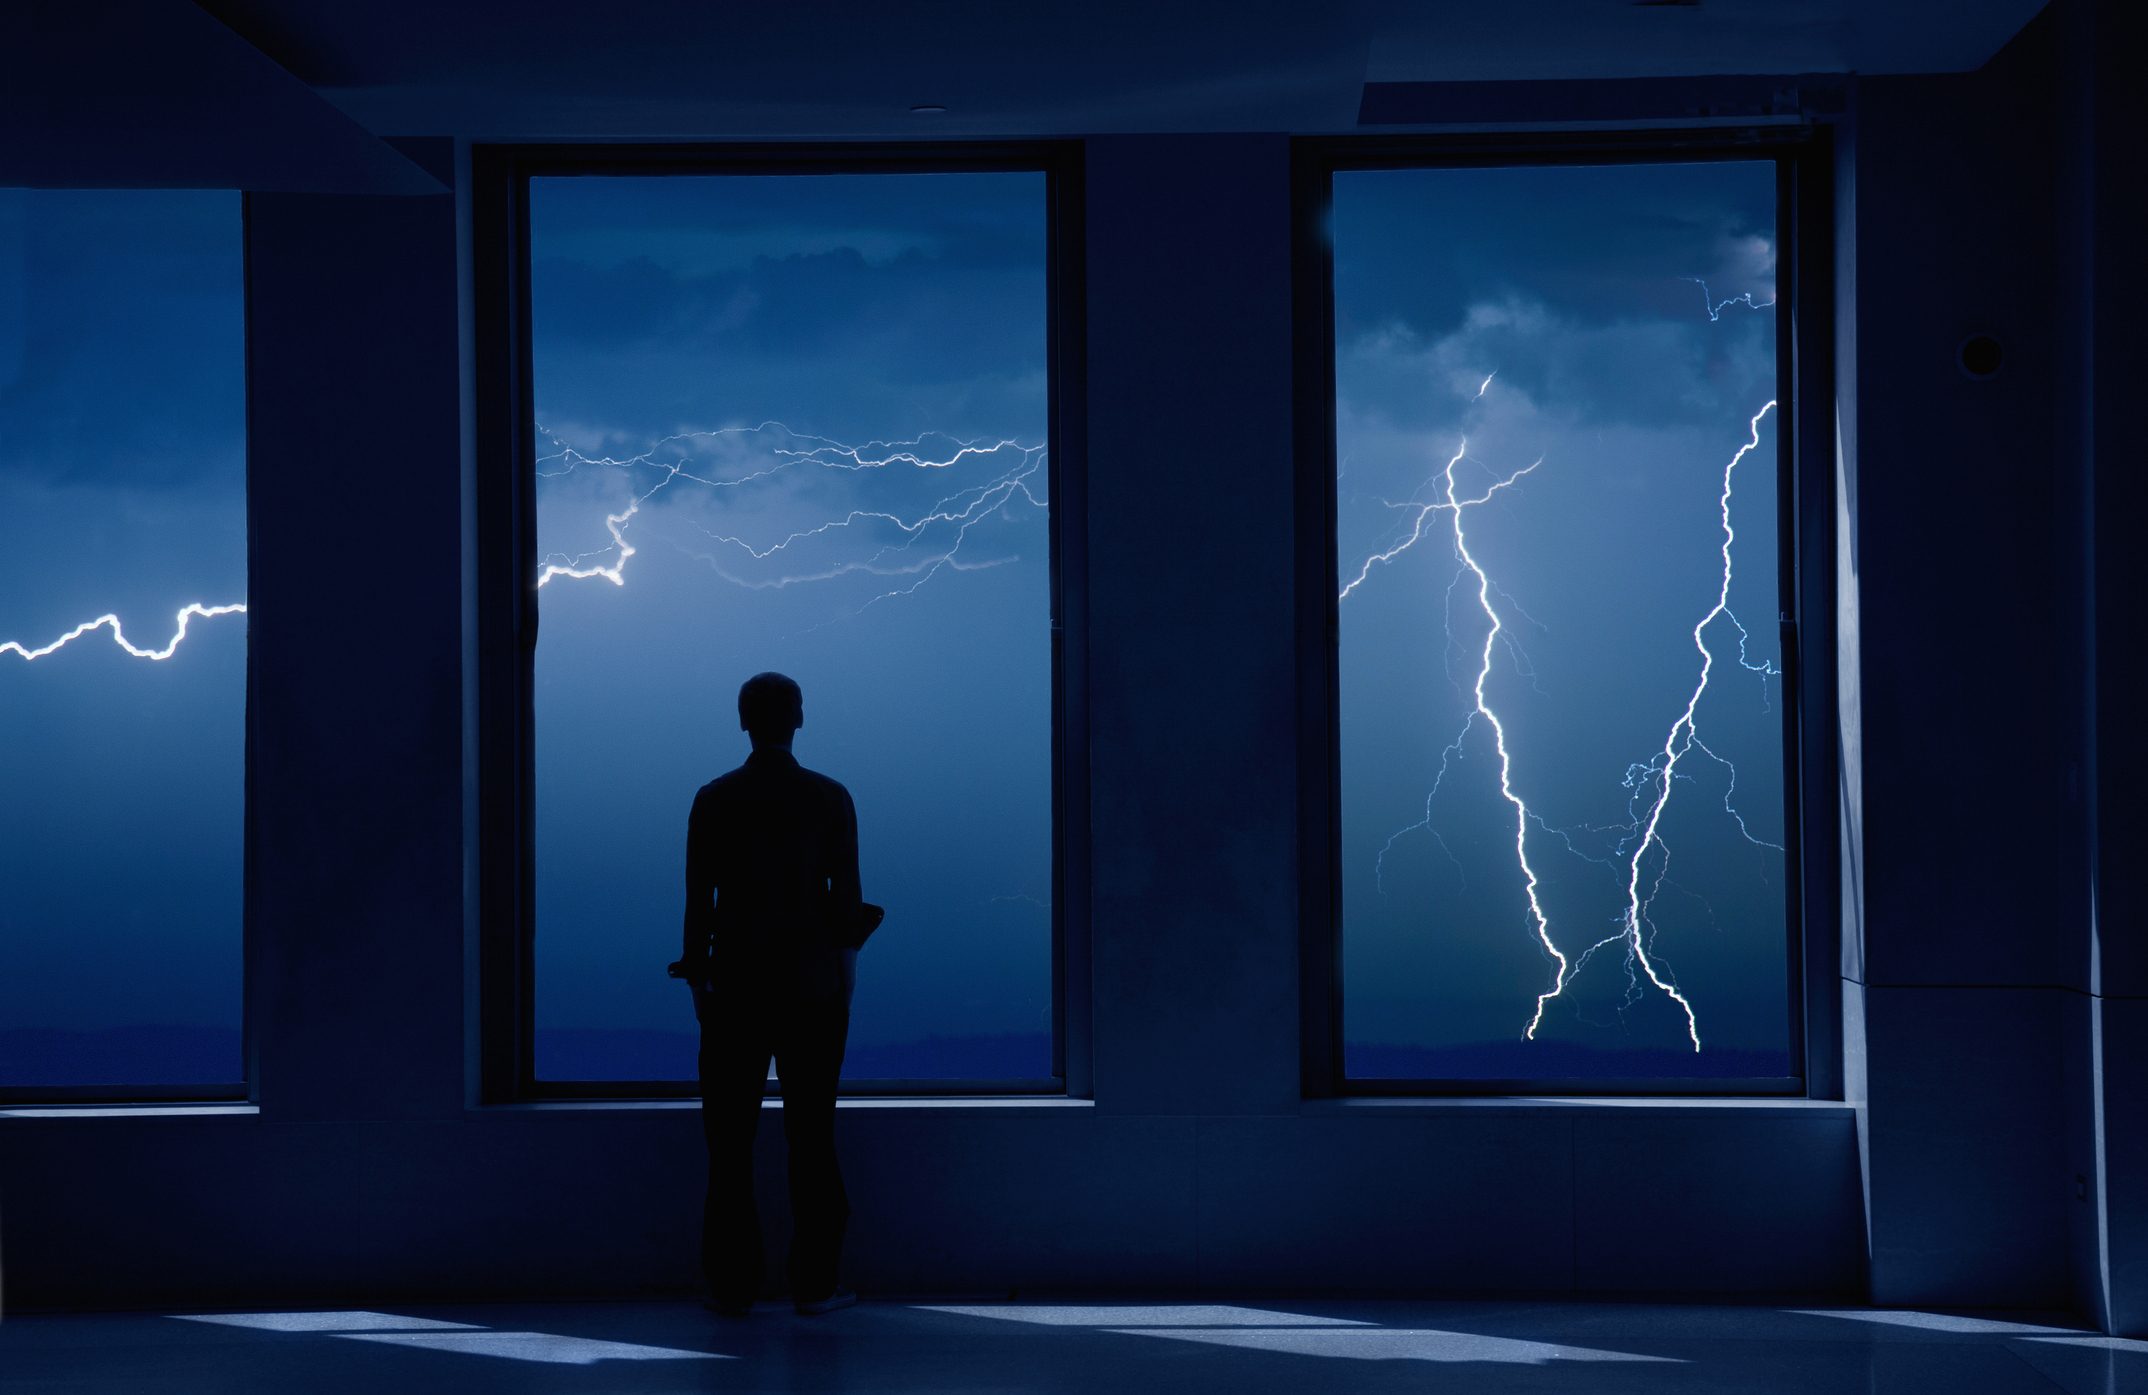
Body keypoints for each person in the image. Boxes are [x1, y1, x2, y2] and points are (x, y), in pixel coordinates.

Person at [672, 671, 864, 1317]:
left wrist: (701, 978)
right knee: (813, 1136)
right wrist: (843, 983)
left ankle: (732, 1285)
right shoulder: (831, 797)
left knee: (728, 1143)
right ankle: (814, 1284)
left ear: (742, 721)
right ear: (799, 719)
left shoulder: (713, 797)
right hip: (812, 992)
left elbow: (700, 902)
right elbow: (845, 905)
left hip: (734, 993)